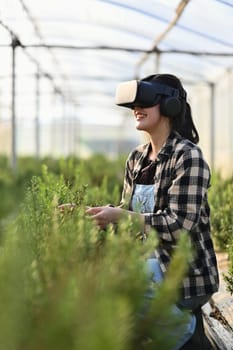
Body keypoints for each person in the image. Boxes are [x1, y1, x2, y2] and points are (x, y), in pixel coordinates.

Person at [86, 73, 219, 317]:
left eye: (145, 101)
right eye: (134, 103)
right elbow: (127, 215)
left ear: (170, 105)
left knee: (119, 284)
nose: (137, 108)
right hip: (148, 260)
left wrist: (122, 216)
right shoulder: (136, 157)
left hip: (185, 274)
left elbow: (180, 226)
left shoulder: (188, 156)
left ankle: (185, 331)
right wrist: (95, 215)